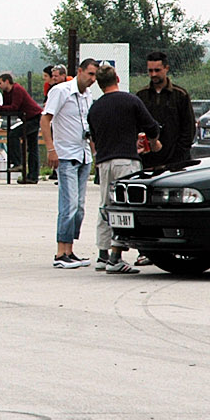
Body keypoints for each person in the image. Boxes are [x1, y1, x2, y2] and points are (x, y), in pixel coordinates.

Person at [85, 65, 162, 274]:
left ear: (99, 84)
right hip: (126, 161)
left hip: (104, 162)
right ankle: (116, 257)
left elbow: (94, 137)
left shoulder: (95, 108)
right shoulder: (131, 101)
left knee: (105, 206)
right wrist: (153, 143)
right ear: (117, 78)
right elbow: (151, 127)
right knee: (124, 208)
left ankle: (102, 254)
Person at [41, 58, 98, 268]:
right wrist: (51, 148)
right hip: (66, 154)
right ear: (80, 71)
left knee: (80, 207)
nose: (92, 79)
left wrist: (93, 149)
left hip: (83, 154)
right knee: (69, 204)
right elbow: (45, 119)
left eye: (95, 75)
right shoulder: (61, 91)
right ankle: (60, 252)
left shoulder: (87, 95)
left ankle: (69, 249)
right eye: (90, 74)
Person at [137, 50, 195, 168]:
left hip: (176, 160)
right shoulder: (141, 96)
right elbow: (137, 125)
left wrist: (179, 154)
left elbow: (188, 128)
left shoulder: (180, 95)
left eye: (157, 70)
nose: (153, 74)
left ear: (166, 68)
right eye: (150, 71)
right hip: (149, 160)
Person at [0, 73, 45, 183]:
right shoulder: (7, 93)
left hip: (34, 118)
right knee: (32, 148)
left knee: (13, 134)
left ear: (7, 81)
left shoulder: (17, 89)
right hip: (27, 118)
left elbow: (14, 107)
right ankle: (32, 176)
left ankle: (18, 162)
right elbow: (7, 106)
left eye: (0, 83)